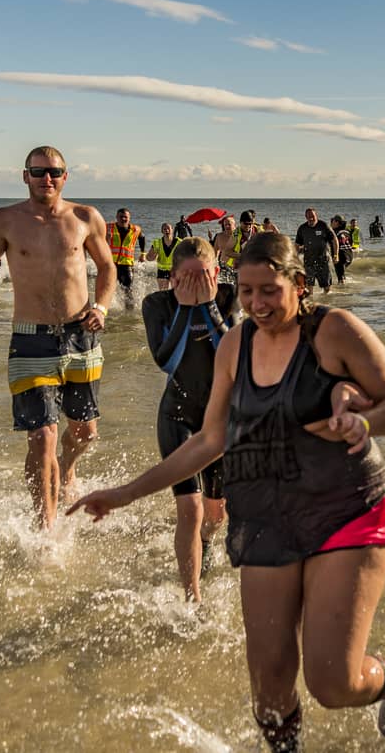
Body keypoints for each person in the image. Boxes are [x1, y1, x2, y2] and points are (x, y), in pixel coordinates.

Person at [69, 232, 385, 747]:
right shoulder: (236, 344)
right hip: (268, 515)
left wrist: (366, 421)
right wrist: (125, 492)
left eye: (269, 291)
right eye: (246, 291)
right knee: (269, 690)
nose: (257, 304)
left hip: (347, 508)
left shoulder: (335, 331)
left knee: (331, 683)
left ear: (299, 285)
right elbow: (211, 439)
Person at [0, 146, 115, 530]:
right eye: (37, 172)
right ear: (25, 176)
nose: (45, 178)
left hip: (81, 336)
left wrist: (100, 308)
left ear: (65, 176)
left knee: (84, 432)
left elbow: (106, 267)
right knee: (41, 437)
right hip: (29, 338)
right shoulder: (3, 220)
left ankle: (67, 469)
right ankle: (45, 527)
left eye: (53, 172)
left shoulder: (85, 217)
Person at [141, 237, 238, 600]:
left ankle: (204, 544)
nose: (196, 285)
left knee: (214, 518)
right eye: (187, 278)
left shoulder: (228, 297)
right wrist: (185, 308)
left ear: (216, 273)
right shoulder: (158, 304)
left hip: (219, 420)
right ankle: (191, 597)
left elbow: (236, 354)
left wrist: (209, 307)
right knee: (191, 508)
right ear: (173, 277)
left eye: (204, 276)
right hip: (177, 414)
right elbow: (166, 361)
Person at [294, 208, 338, 295]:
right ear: (306, 217)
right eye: (308, 216)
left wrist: (336, 254)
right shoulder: (302, 228)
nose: (311, 218)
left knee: (327, 289)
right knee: (308, 288)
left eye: (312, 216)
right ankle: (310, 305)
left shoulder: (323, 226)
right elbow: (297, 245)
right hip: (308, 262)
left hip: (323, 261)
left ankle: (326, 304)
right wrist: (294, 259)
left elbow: (334, 240)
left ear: (316, 216)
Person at [107, 208, 145, 301]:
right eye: (121, 217)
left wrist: (142, 253)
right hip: (110, 263)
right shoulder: (108, 227)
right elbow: (96, 239)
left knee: (128, 290)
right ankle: (105, 309)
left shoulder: (136, 229)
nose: (123, 219)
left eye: (126, 217)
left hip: (127, 264)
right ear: (116, 217)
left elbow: (142, 238)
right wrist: (105, 238)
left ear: (129, 218)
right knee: (107, 288)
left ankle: (129, 311)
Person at [144, 221, 180, 290]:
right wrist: (153, 256)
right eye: (164, 229)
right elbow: (148, 258)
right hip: (162, 270)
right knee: (163, 293)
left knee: (176, 293)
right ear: (162, 231)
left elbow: (187, 255)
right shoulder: (157, 242)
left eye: (168, 228)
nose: (167, 230)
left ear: (172, 230)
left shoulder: (179, 242)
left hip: (175, 270)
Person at [331, 215, 354, 285]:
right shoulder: (347, 231)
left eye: (332, 221)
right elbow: (351, 243)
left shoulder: (334, 231)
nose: (331, 223)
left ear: (337, 222)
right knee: (342, 273)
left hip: (340, 256)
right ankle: (344, 286)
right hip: (350, 256)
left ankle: (342, 293)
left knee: (340, 278)